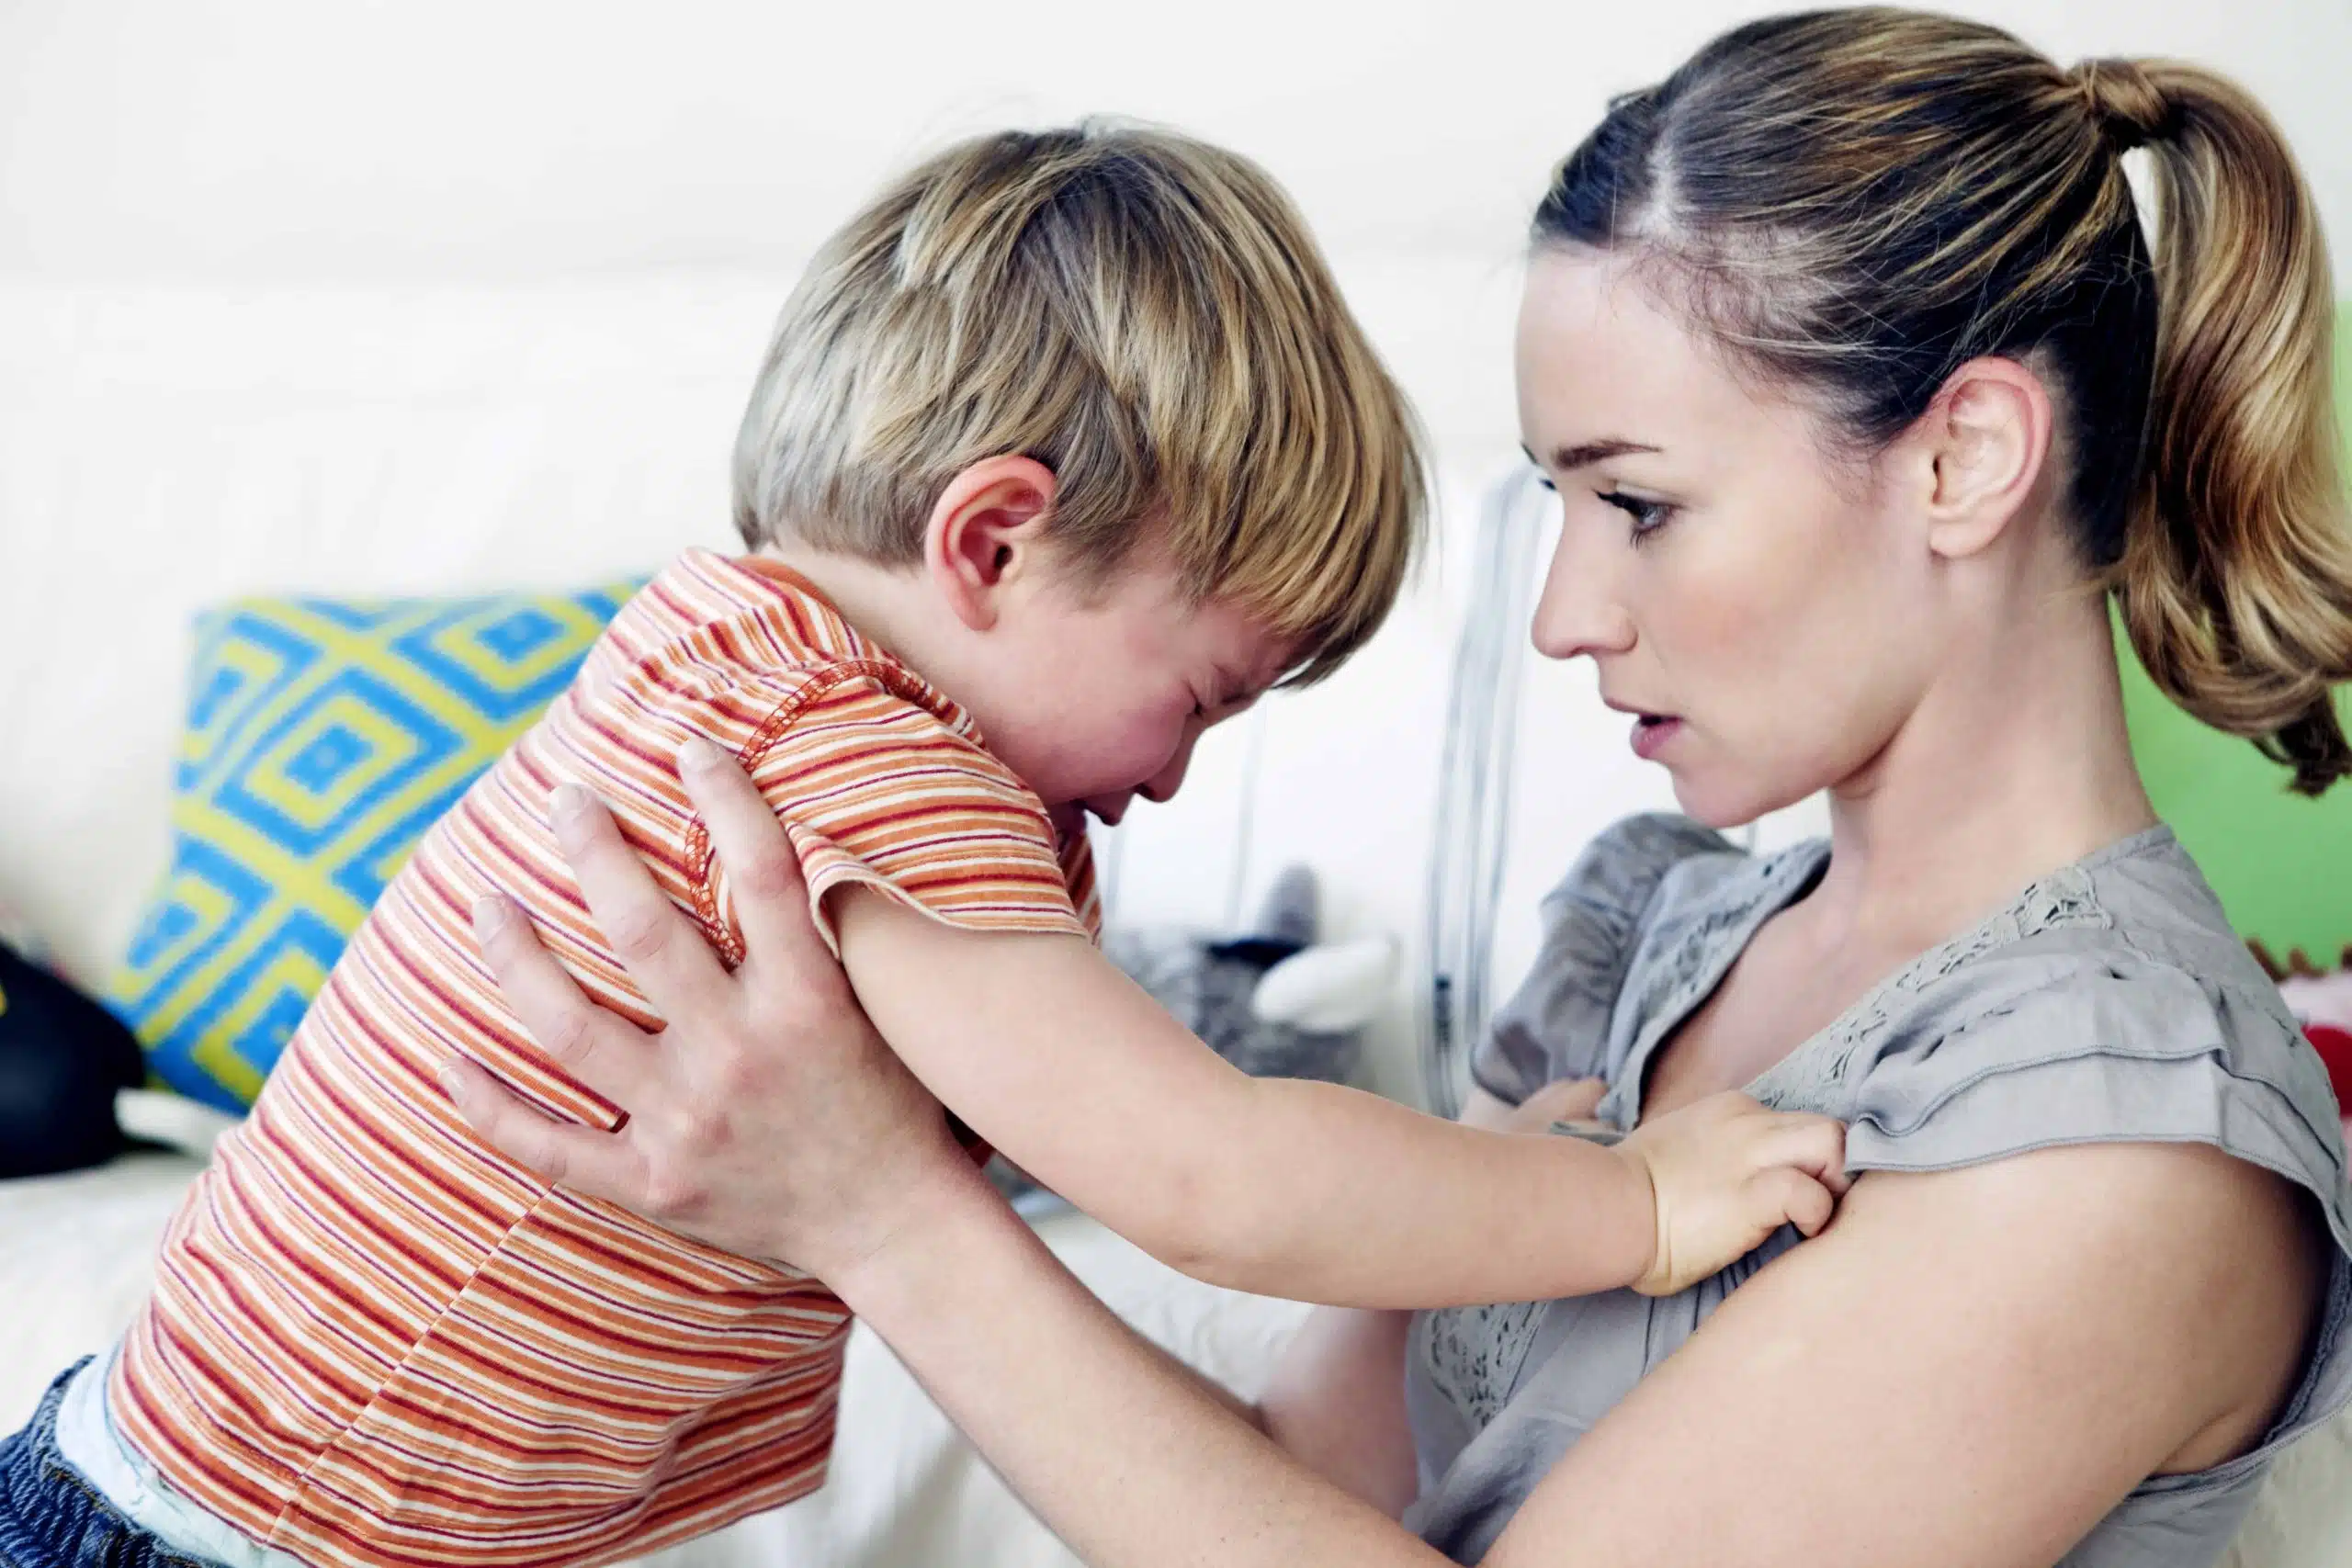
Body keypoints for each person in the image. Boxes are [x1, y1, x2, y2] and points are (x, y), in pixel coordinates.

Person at [444, 9, 2352, 1565]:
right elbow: (1317, 1492)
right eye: (1556, 506)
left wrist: (883, 1218)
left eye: (1635, 504)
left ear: (1961, 464)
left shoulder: (2122, 1162)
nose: (1560, 616)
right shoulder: (1661, 929)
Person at [0, 124, 1848, 1568]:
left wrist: (1463, 1190)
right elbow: (1208, 1177)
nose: (1172, 784)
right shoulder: (859, 749)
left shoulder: (727, 666)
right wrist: (1626, 1207)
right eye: (1199, 695)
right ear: (990, 545)